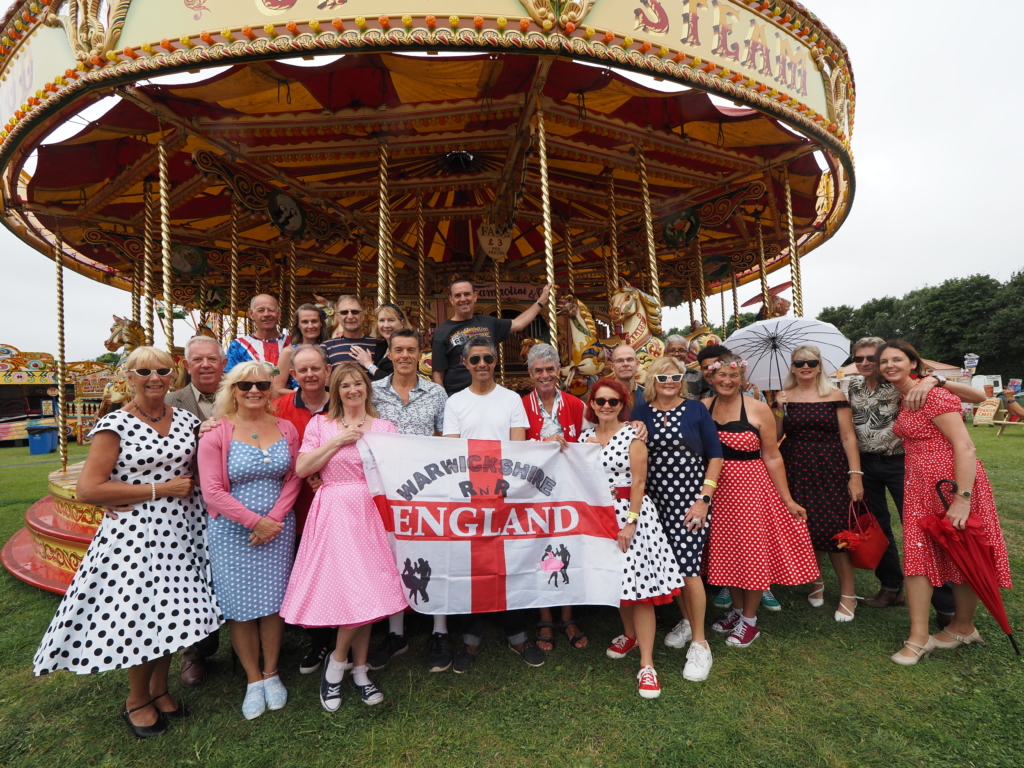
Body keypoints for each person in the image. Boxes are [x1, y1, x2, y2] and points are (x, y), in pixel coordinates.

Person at [33, 347, 221, 739]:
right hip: (136, 533)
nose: (155, 377)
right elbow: (88, 489)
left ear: (173, 376)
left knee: (173, 612)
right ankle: (136, 700)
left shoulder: (186, 419)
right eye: (145, 371)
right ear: (130, 377)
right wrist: (158, 489)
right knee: (144, 616)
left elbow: (195, 472)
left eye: (162, 370)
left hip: (181, 530)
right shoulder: (114, 425)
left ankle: (159, 689)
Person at [281, 363, 407, 711]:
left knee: (367, 592)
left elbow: (398, 470)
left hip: (371, 512)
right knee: (354, 590)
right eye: (345, 385)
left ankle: (357, 670)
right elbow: (304, 468)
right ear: (335, 391)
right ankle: (340, 666)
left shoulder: (384, 427)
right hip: (335, 510)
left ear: (367, 388)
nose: (353, 390)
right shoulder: (322, 425)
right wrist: (338, 440)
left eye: (358, 384)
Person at [876, 341, 1012, 665]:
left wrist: (962, 500)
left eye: (897, 359)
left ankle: (948, 630)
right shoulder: (906, 396)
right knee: (923, 554)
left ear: (912, 362)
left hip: (950, 484)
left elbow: (964, 447)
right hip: (920, 485)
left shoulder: (931, 393)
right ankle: (943, 630)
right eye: (884, 361)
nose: (889, 365)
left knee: (963, 550)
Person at [848, 337, 985, 623]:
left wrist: (934, 381)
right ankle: (890, 586)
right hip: (867, 465)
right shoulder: (854, 386)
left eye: (872, 358)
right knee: (878, 527)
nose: (865, 363)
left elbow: (978, 398)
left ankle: (946, 606)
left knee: (926, 531)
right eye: (858, 358)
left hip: (902, 463)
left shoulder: (904, 381)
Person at [198, 361, 302, 720]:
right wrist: (253, 521)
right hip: (232, 531)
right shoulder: (217, 433)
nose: (254, 391)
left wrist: (272, 520)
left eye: (261, 384)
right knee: (240, 608)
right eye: (245, 386)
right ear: (233, 391)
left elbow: (293, 478)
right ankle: (252, 678)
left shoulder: (286, 428)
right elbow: (211, 490)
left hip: (277, 528)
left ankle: (272, 671)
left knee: (273, 602)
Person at [442, 336, 544, 672]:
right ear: (465, 363)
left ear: (495, 361)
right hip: (469, 493)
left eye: (487, 358)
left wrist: (505, 488)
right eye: (475, 360)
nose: (482, 364)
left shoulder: (512, 399)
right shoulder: (455, 402)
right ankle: (470, 637)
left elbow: (517, 449)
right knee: (472, 566)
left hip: (506, 492)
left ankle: (517, 633)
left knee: (511, 563)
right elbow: (451, 452)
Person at [702, 355, 819, 647]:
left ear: (742, 378)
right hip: (715, 490)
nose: (727, 381)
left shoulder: (758, 409)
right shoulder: (702, 408)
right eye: (721, 375)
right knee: (727, 552)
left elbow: (772, 455)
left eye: (733, 375)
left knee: (751, 554)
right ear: (711, 378)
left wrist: (788, 499)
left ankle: (750, 621)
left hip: (750, 491)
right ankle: (738, 612)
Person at [582, 379, 683, 699]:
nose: (607, 406)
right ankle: (629, 634)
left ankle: (647, 665)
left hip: (631, 515)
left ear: (622, 403)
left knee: (641, 591)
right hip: (600, 518)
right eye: (601, 401)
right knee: (617, 583)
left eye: (613, 401)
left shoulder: (633, 435)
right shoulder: (585, 438)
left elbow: (639, 483)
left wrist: (630, 523)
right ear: (592, 403)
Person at [628, 355, 723, 682]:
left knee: (689, 567)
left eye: (675, 377)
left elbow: (715, 455)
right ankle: (685, 621)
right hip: (654, 503)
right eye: (662, 378)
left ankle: (700, 643)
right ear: (652, 380)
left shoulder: (696, 409)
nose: (669, 384)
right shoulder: (640, 413)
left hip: (689, 501)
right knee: (669, 565)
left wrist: (704, 500)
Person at [365, 329, 452, 673]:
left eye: (410, 350)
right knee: (390, 554)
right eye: (398, 349)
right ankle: (396, 632)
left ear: (420, 354)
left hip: (426, 486)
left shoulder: (436, 392)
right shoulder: (373, 393)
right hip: (385, 488)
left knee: (433, 553)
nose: (404, 355)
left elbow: (446, 440)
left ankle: (440, 631)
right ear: (390, 352)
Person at [775, 345, 864, 623]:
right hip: (795, 465)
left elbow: (848, 437)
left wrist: (855, 474)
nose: (806, 367)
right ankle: (816, 580)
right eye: (800, 362)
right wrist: (778, 409)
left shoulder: (834, 395)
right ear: (792, 366)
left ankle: (848, 594)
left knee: (835, 529)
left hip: (831, 465)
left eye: (811, 362)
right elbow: (776, 435)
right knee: (805, 523)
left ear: (819, 366)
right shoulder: (784, 397)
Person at [164, 335, 226, 688]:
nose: (205, 365)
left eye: (212, 359)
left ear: (221, 363)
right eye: (197, 360)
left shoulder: (241, 394)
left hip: (232, 500)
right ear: (186, 365)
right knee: (192, 576)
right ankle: (196, 653)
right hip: (187, 502)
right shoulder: (171, 401)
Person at [271, 344, 336, 675]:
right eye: (303, 370)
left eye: (316, 368)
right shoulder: (280, 407)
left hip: (338, 507)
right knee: (310, 574)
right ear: (293, 375)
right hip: (298, 506)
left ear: (328, 371)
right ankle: (318, 640)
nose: (310, 375)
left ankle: (344, 638)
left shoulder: (342, 404)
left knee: (338, 572)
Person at [521, 343, 589, 652]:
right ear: (530, 374)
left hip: (570, 492)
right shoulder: (520, 407)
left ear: (558, 370)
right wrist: (541, 444)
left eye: (550, 369)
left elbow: (590, 445)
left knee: (568, 548)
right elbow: (514, 451)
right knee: (539, 549)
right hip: (533, 493)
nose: (545, 375)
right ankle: (545, 617)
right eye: (539, 371)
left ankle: (568, 616)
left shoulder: (576, 404)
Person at [432, 277, 552, 395]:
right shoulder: (442, 332)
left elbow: (518, 323)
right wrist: (444, 403)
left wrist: (541, 301)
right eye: (458, 295)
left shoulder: (488, 322)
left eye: (467, 294)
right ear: (451, 299)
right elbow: (438, 374)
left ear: (475, 296)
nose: (463, 299)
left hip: (488, 394)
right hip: (458, 397)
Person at [272, 303, 329, 396]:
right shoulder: (289, 352)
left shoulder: (328, 348)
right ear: (298, 325)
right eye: (305, 322)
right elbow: (277, 388)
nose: (310, 326)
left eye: (314, 321)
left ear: (321, 323)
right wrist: (306, 396)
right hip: (297, 403)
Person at [225, 294, 288, 372]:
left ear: (279, 314)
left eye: (271, 310)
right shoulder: (239, 346)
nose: (266, 314)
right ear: (251, 314)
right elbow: (230, 378)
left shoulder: (292, 343)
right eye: (261, 310)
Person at [322, 295, 387, 369]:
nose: (350, 316)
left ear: (362, 316)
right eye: (344, 312)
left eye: (355, 312)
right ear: (338, 317)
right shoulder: (326, 347)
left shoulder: (378, 345)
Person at [352, 302, 409, 381]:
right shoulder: (382, 345)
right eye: (382, 320)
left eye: (391, 320)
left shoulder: (406, 347)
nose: (386, 325)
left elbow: (397, 380)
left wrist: (369, 365)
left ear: (402, 323)